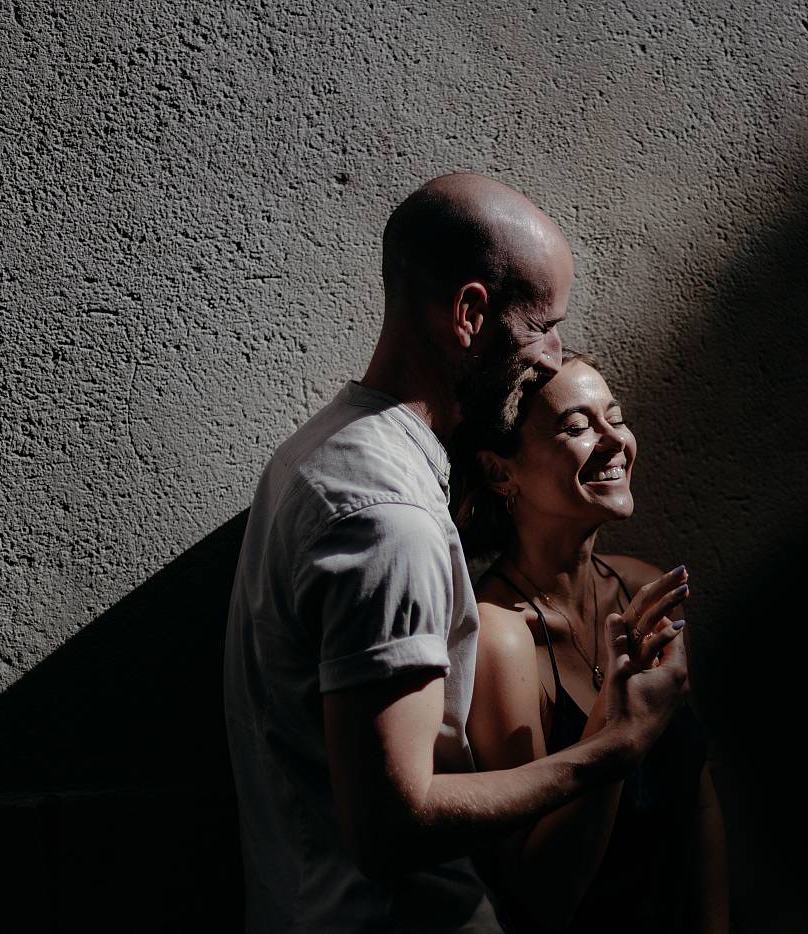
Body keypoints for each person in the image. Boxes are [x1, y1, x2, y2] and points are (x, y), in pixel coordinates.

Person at [223, 174, 690, 934]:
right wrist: (615, 747)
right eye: (544, 325)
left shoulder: (325, 452)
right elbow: (390, 827)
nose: (552, 355)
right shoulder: (388, 518)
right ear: (471, 313)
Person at [454, 351, 729, 934]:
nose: (615, 441)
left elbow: (696, 790)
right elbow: (538, 897)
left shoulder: (640, 584)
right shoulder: (500, 636)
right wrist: (615, 726)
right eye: (577, 427)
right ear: (501, 472)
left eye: (616, 416)